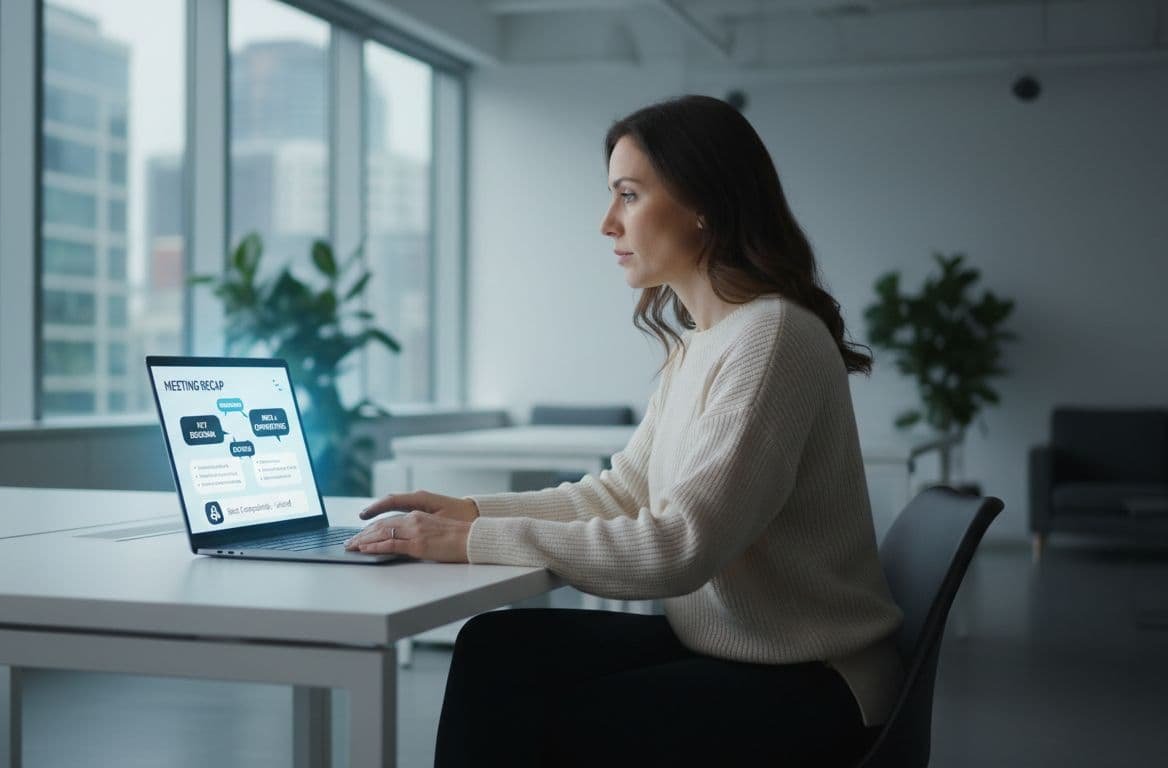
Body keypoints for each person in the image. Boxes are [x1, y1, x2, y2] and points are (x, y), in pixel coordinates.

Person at [345, 94, 904, 767]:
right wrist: (470, 511)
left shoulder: (771, 337)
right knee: (497, 649)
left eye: (629, 195)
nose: (607, 223)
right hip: (733, 647)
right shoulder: (704, 342)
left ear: (704, 204)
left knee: (557, 723)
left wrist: (473, 541)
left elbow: (680, 545)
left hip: (815, 680)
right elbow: (625, 493)